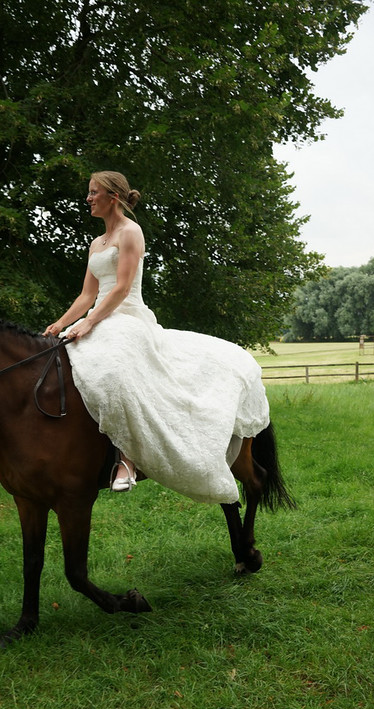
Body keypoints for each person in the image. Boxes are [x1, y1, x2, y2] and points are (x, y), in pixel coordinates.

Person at [44, 171, 270, 501]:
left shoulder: (130, 232)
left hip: (128, 317)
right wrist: (60, 323)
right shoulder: (96, 243)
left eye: (95, 193)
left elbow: (121, 288)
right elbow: (85, 295)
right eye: (88, 193)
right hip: (98, 316)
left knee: (115, 373)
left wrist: (90, 323)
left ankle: (127, 461)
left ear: (113, 197)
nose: (89, 198)